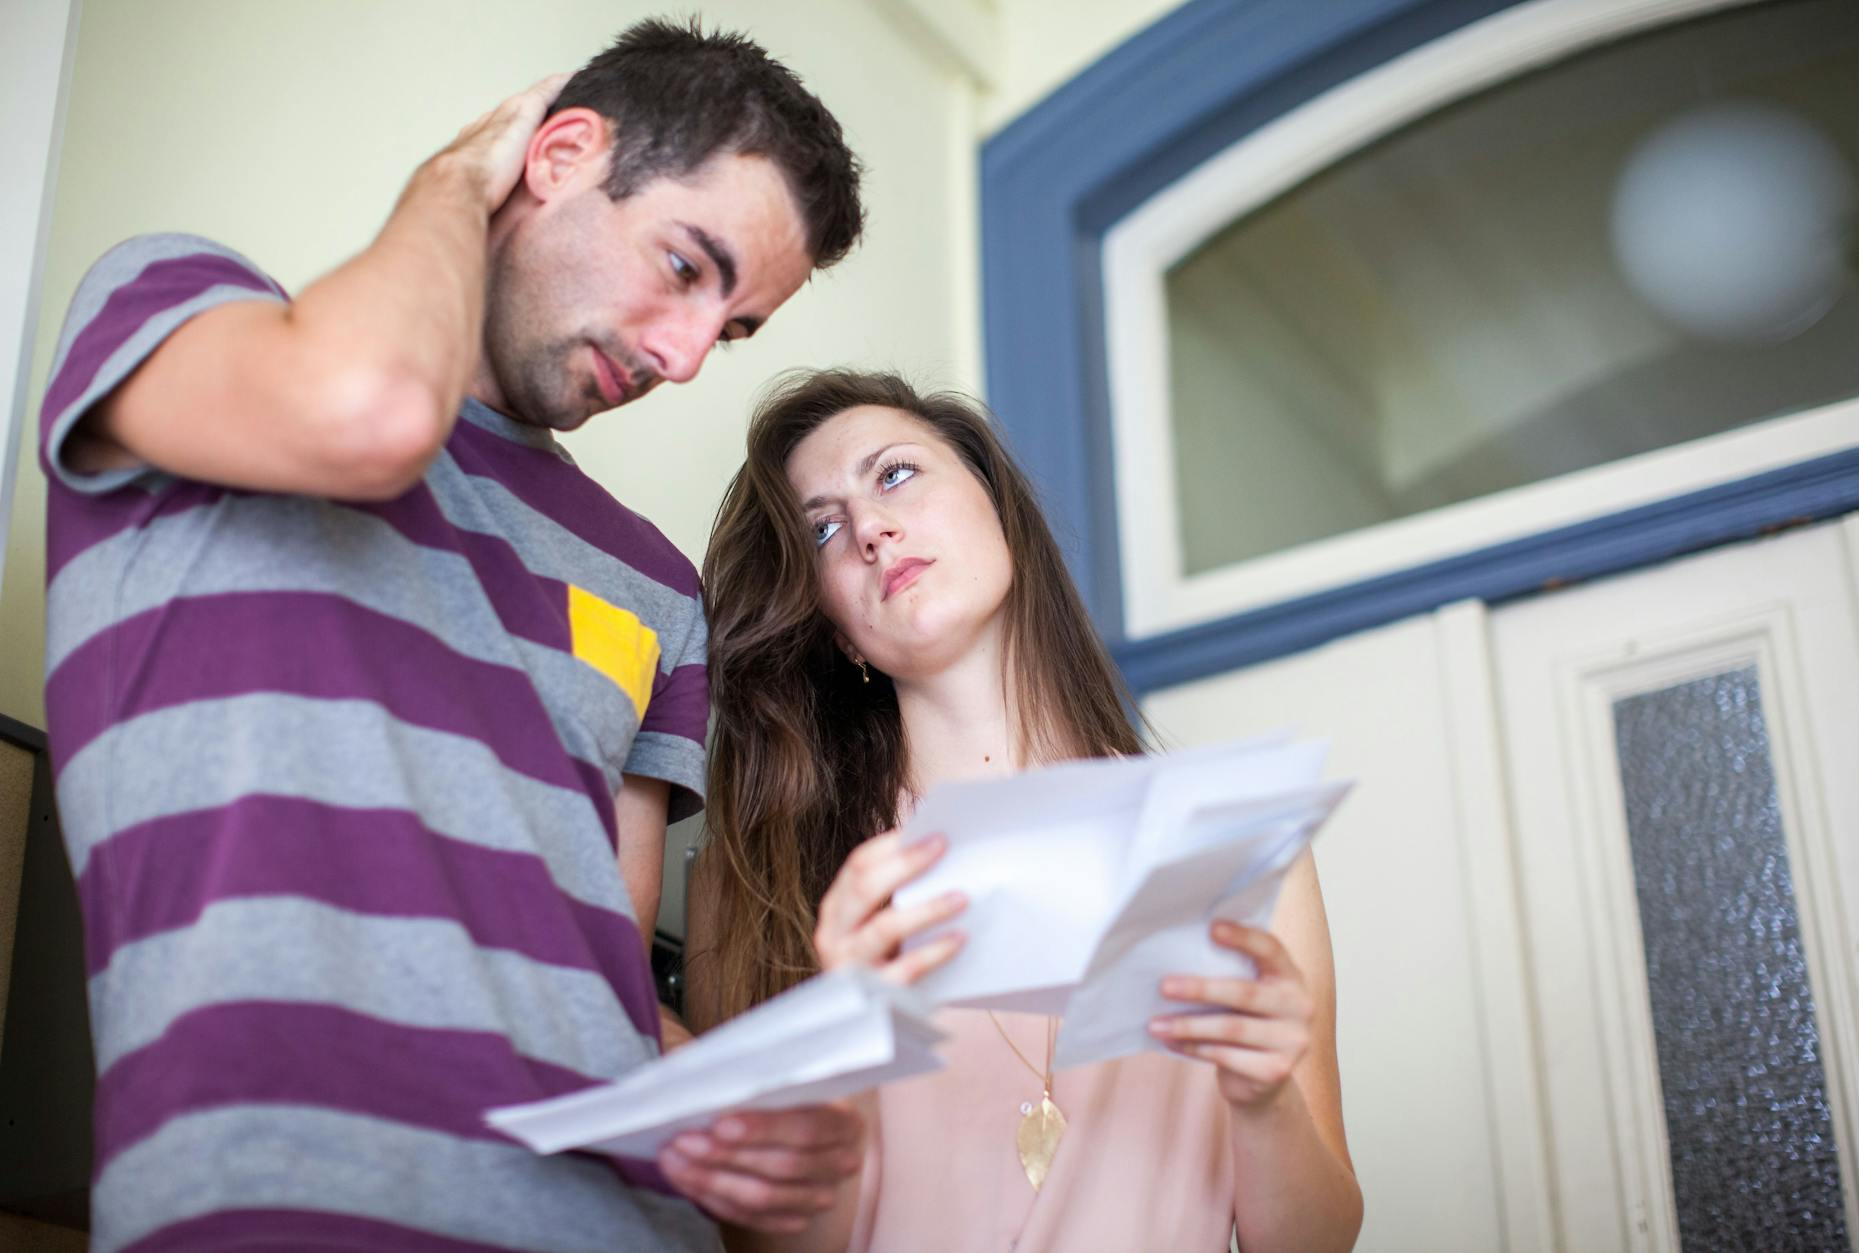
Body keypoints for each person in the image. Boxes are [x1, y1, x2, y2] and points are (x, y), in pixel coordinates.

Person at [39, 20, 869, 1252]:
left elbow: (603, 979)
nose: (686, 356)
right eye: (684, 265)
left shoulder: (653, 583)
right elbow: (367, 413)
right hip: (294, 1208)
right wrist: (458, 170)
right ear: (559, 155)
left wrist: (725, 1106)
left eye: (732, 328)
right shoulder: (175, 310)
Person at [682, 370, 1364, 1252]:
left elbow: (1315, 1243)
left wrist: (1265, 1100)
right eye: (822, 529)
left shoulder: (1234, 846)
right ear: (837, 629)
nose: (870, 529)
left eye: (894, 474)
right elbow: (760, 1249)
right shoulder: (759, 884)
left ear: (997, 504)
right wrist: (843, 1049)